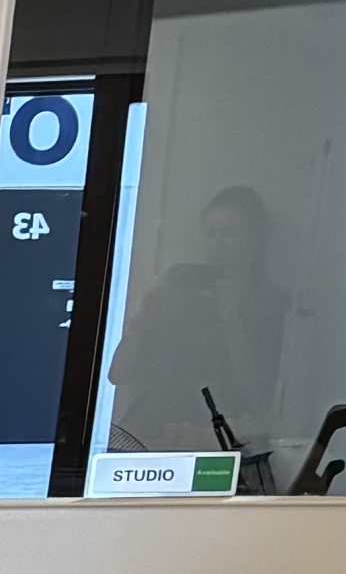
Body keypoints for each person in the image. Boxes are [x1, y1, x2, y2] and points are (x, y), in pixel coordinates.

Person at [106, 185, 297, 461]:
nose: (217, 244)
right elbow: (118, 373)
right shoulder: (181, 293)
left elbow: (261, 399)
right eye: (211, 234)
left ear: (255, 239)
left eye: (228, 234)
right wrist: (148, 307)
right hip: (151, 440)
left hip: (224, 447)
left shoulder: (272, 306)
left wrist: (232, 320)